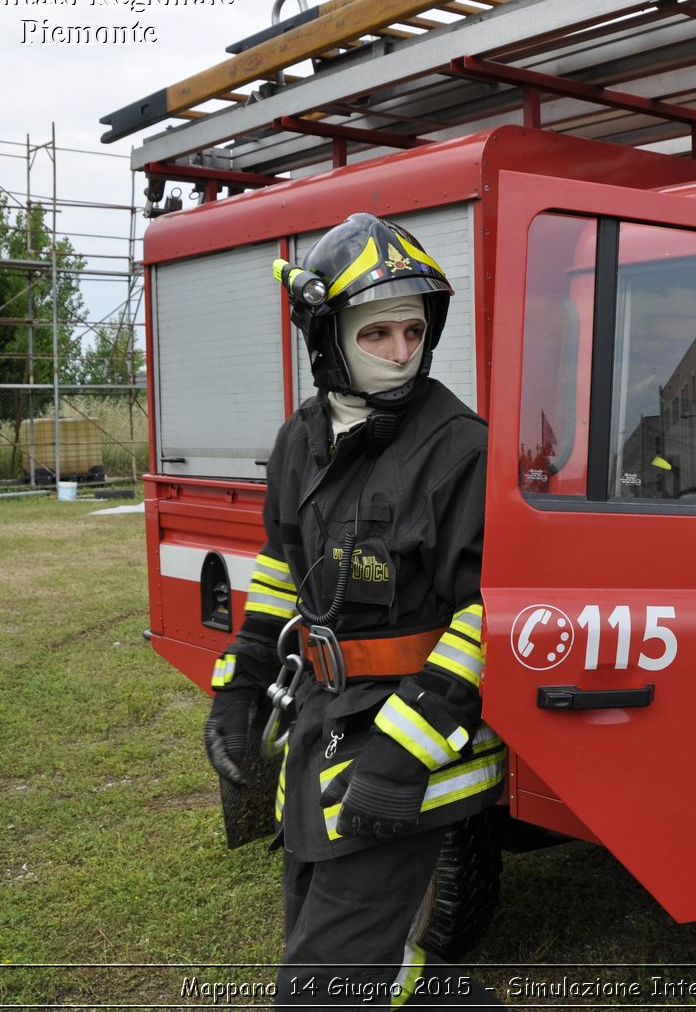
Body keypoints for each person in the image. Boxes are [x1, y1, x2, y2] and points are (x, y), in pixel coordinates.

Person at [201, 213, 504, 1008]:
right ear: (327, 336)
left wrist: (403, 754)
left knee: (318, 985)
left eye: (414, 329)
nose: (402, 351)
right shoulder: (300, 441)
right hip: (322, 726)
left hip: (409, 743)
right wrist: (242, 684)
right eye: (378, 333)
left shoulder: (460, 449)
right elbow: (280, 569)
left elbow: (491, 615)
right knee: (338, 958)